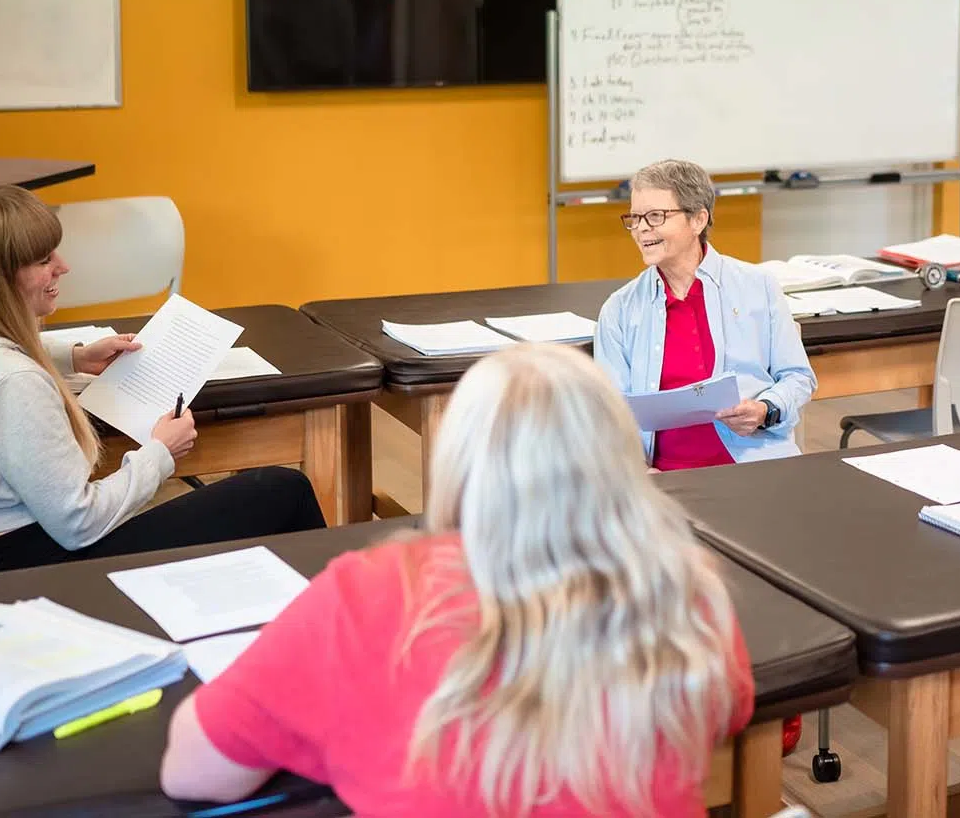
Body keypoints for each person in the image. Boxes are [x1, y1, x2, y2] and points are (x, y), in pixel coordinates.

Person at [159, 343, 754, 815]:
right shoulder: (684, 586)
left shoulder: (372, 590)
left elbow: (192, 771)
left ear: (461, 459)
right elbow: (726, 714)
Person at [0, 184, 325, 575]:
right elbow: (79, 523)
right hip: (39, 567)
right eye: (43, 260)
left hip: (4, 551)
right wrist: (160, 454)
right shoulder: (13, 384)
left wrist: (76, 355)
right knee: (282, 491)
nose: (62, 267)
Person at [594, 158, 815, 471]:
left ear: (698, 219)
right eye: (635, 217)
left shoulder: (758, 286)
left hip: (755, 465)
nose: (641, 228)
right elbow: (610, 412)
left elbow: (798, 376)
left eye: (655, 216)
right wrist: (637, 471)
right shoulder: (619, 310)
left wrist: (766, 410)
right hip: (664, 476)